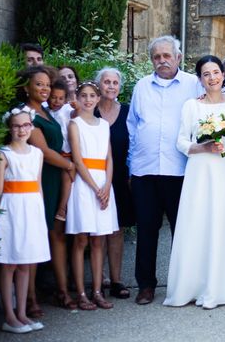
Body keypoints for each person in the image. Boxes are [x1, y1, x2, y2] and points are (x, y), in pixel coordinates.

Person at [164, 55, 225, 308]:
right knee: (197, 222)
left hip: (224, 171)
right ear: (200, 79)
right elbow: (180, 141)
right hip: (199, 170)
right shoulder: (192, 106)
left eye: (216, 72)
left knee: (223, 223)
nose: (212, 77)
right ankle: (192, 285)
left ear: (223, 75)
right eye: (206, 74)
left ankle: (224, 288)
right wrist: (202, 148)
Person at [127, 35, 200, 305]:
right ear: (151, 60)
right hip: (145, 170)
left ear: (178, 57)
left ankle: (185, 284)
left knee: (183, 230)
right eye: (157, 57)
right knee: (146, 228)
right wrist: (131, 165)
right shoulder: (142, 87)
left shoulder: (193, 84)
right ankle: (146, 285)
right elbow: (133, 126)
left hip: (180, 170)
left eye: (167, 56)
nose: (162, 61)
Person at [21, 66, 76, 313]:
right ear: (26, 88)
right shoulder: (25, 115)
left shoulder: (46, 110)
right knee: (35, 238)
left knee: (58, 235)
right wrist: (69, 165)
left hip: (55, 178)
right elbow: (42, 150)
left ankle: (62, 291)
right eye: (39, 84)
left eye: (46, 84)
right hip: (39, 179)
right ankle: (30, 298)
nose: (44, 89)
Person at [0, 106, 49, 334]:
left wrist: (40, 216)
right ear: (10, 128)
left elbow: (38, 186)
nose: (22, 129)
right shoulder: (3, 154)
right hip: (11, 212)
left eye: (26, 125)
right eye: (16, 125)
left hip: (31, 211)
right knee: (9, 264)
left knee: (26, 263)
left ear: (31, 126)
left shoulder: (37, 154)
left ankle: (22, 313)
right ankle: (9, 316)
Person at [65, 82, 117, 310]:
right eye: (83, 96)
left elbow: (109, 158)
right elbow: (77, 159)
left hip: (104, 184)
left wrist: (106, 187)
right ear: (76, 98)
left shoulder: (104, 125)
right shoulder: (74, 124)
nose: (88, 100)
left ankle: (97, 290)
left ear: (98, 99)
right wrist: (96, 188)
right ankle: (82, 293)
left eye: (92, 96)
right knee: (81, 239)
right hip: (85, 185)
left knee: (99, 239)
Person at [94, 67, 134, 300]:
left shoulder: (128, 112)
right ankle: (98, 281)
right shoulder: (89, 110)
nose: (110, 86)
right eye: (106, 82)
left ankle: (117, 280)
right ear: (99, 85)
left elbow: (135, 143)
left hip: (120, 176)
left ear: (119, 87)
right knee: (97, 229)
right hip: (95, 178)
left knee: (117, 229)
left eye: (114, 83)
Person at [47, 80, 73, 223]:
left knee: (67, 176)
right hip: (52, 153)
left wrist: (76, 107)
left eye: (61, 98)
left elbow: (76, 114)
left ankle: (62, 208)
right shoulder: (45, 110)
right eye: (54, 97)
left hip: (66, 152)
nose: (57, 101)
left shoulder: (67, 109)